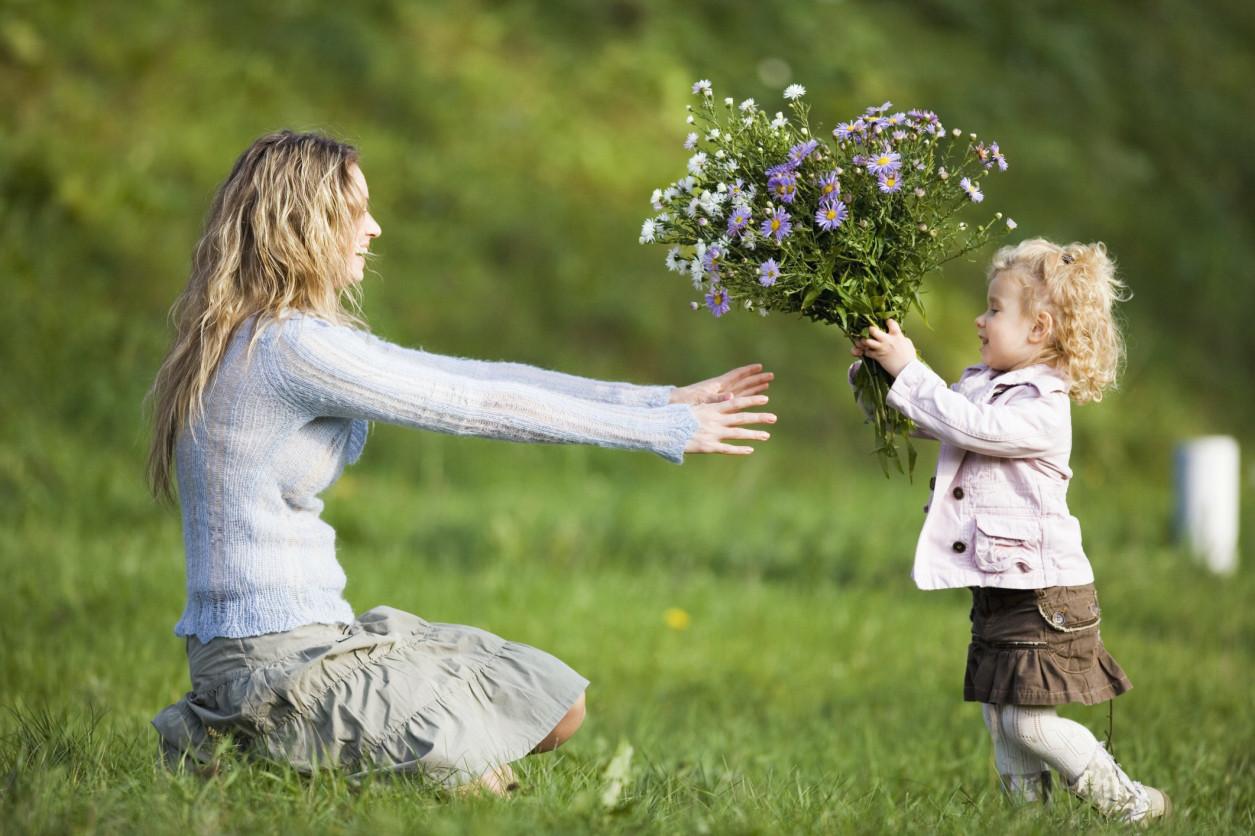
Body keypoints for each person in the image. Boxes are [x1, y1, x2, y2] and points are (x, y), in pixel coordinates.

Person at [147, 130, 776, 794]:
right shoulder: (286, 348)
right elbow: (478, 404)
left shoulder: (274, 336)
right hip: (270, 668)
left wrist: (657, 400)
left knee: (553, 704)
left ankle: (277, 762)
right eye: (357, 212)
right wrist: (663, 430)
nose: (374, 229)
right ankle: (249, 751)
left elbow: (471, 374)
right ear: (305, 223)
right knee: (485, 784)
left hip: (324, 640)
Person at [849, 238, 1169, 823]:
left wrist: (909, 369)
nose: (980, 318)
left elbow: (965, 424)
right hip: (1003, 587)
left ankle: (1130, 803)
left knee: (1026, 719)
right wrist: (875, 373)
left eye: (994, 309)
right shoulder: (984, 385)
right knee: (999, 713)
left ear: (1040, 327)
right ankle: (1027, 821)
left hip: (1046, 595)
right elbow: (928, 416)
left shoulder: (1043, 408)